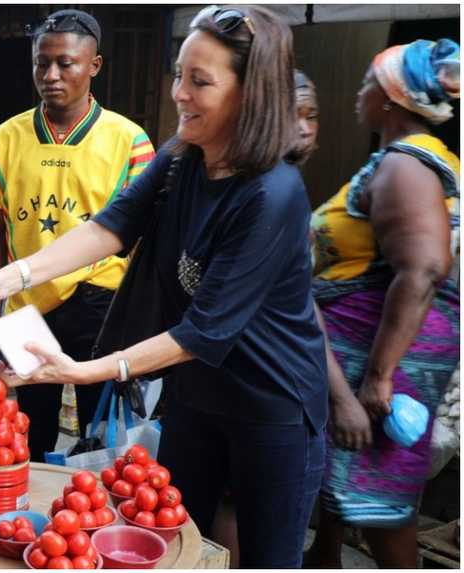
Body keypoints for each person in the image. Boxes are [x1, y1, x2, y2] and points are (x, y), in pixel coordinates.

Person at [0, 6, 328, 567]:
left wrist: (85, 370)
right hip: (196, 394)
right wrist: (7, 276)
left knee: (266, 557)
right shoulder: (182, 159)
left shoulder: (272, 195)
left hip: (271, 405)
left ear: (251, 94)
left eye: (200, 82)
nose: (180, 94)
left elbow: (201, 331)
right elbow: (108, 226)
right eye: (179, 74)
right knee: (175, 543)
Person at [304, 39, 460, 569]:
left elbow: (422, 269)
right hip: (362, 347)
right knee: (351, 481)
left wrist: (379, 376)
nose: (359, 92)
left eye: (369, 83)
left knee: (383, 505)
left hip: (382, 358)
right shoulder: (398, 161)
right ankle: (324, 556)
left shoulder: (407, 166)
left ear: (391, 98)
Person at [0, 8, 154, 461]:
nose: (50, 75)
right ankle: (34, 522)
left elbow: (147, 239)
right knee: (31, 427)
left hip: (99, 301)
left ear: (94, 65)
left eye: (65, 63)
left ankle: (91, 523)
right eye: (41, 62)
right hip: (26, 302)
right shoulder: (7, 136)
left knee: (99, 431)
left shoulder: (129, 141)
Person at [209, 67, 322, 568]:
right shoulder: (256, 193)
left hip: (273, 392)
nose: (302, 127)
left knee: (264, 533)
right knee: (229, 511)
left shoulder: (285, 192)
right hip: (230, 387)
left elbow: (299, 310)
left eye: (311, 115)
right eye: (291, 114)